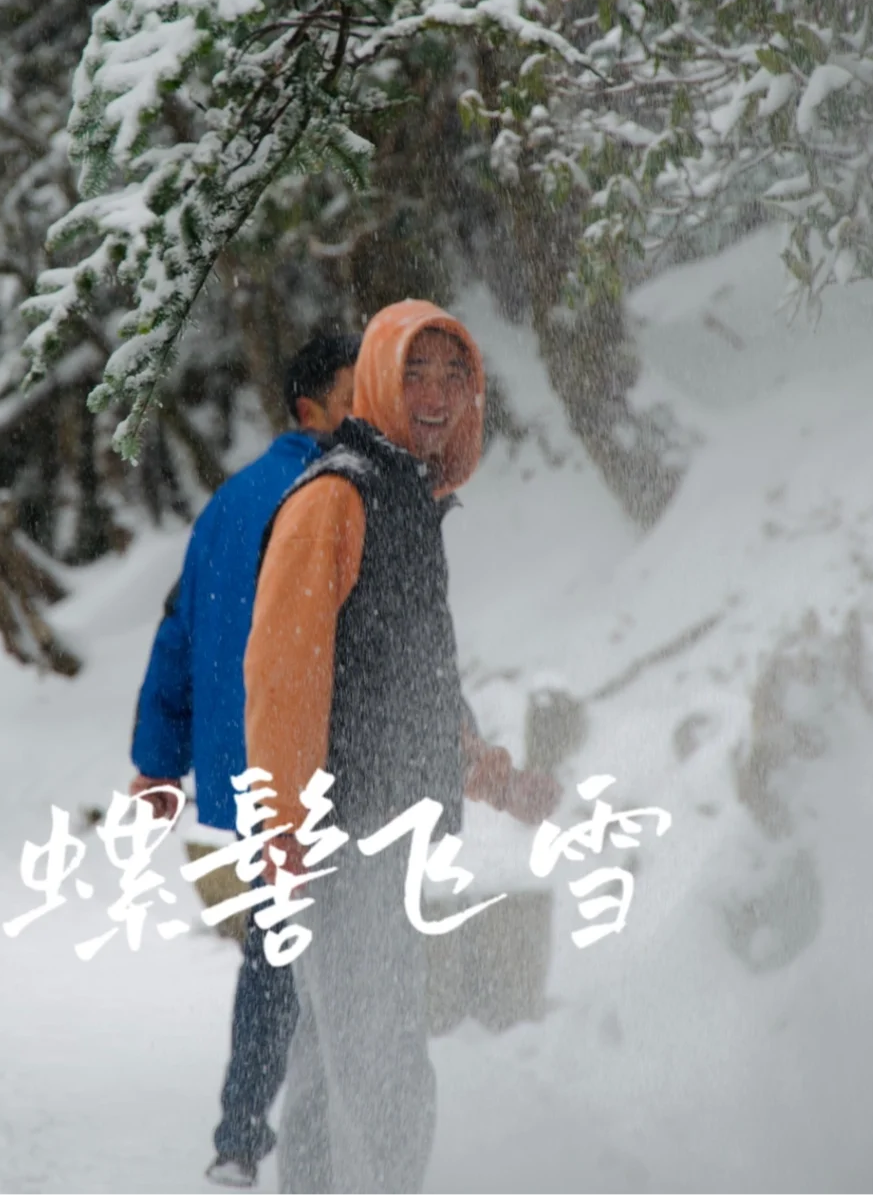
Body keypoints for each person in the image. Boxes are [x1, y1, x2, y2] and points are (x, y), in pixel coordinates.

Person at [244, 299, 561, 1195]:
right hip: (339, 840)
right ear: (378, 378)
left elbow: (413, 684)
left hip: (374, 832)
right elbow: (282, 677)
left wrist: (492, 777)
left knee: (327, 1070)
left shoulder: (406, 503)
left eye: (452, 375)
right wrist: (289, 828)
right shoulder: (337, 499)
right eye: (414, 372)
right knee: (384, 1078)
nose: (434, 393)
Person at [129, 331, 360, 1189]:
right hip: (321, 765)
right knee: (326, 956)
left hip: (254, 779)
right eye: (353, 391)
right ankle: (322, 1142)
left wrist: (160, 762)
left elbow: (176, 632)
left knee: (276, 948)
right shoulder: (331, 493)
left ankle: (239, 1139)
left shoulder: (229, 501)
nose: (368, 406)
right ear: (313, 409)